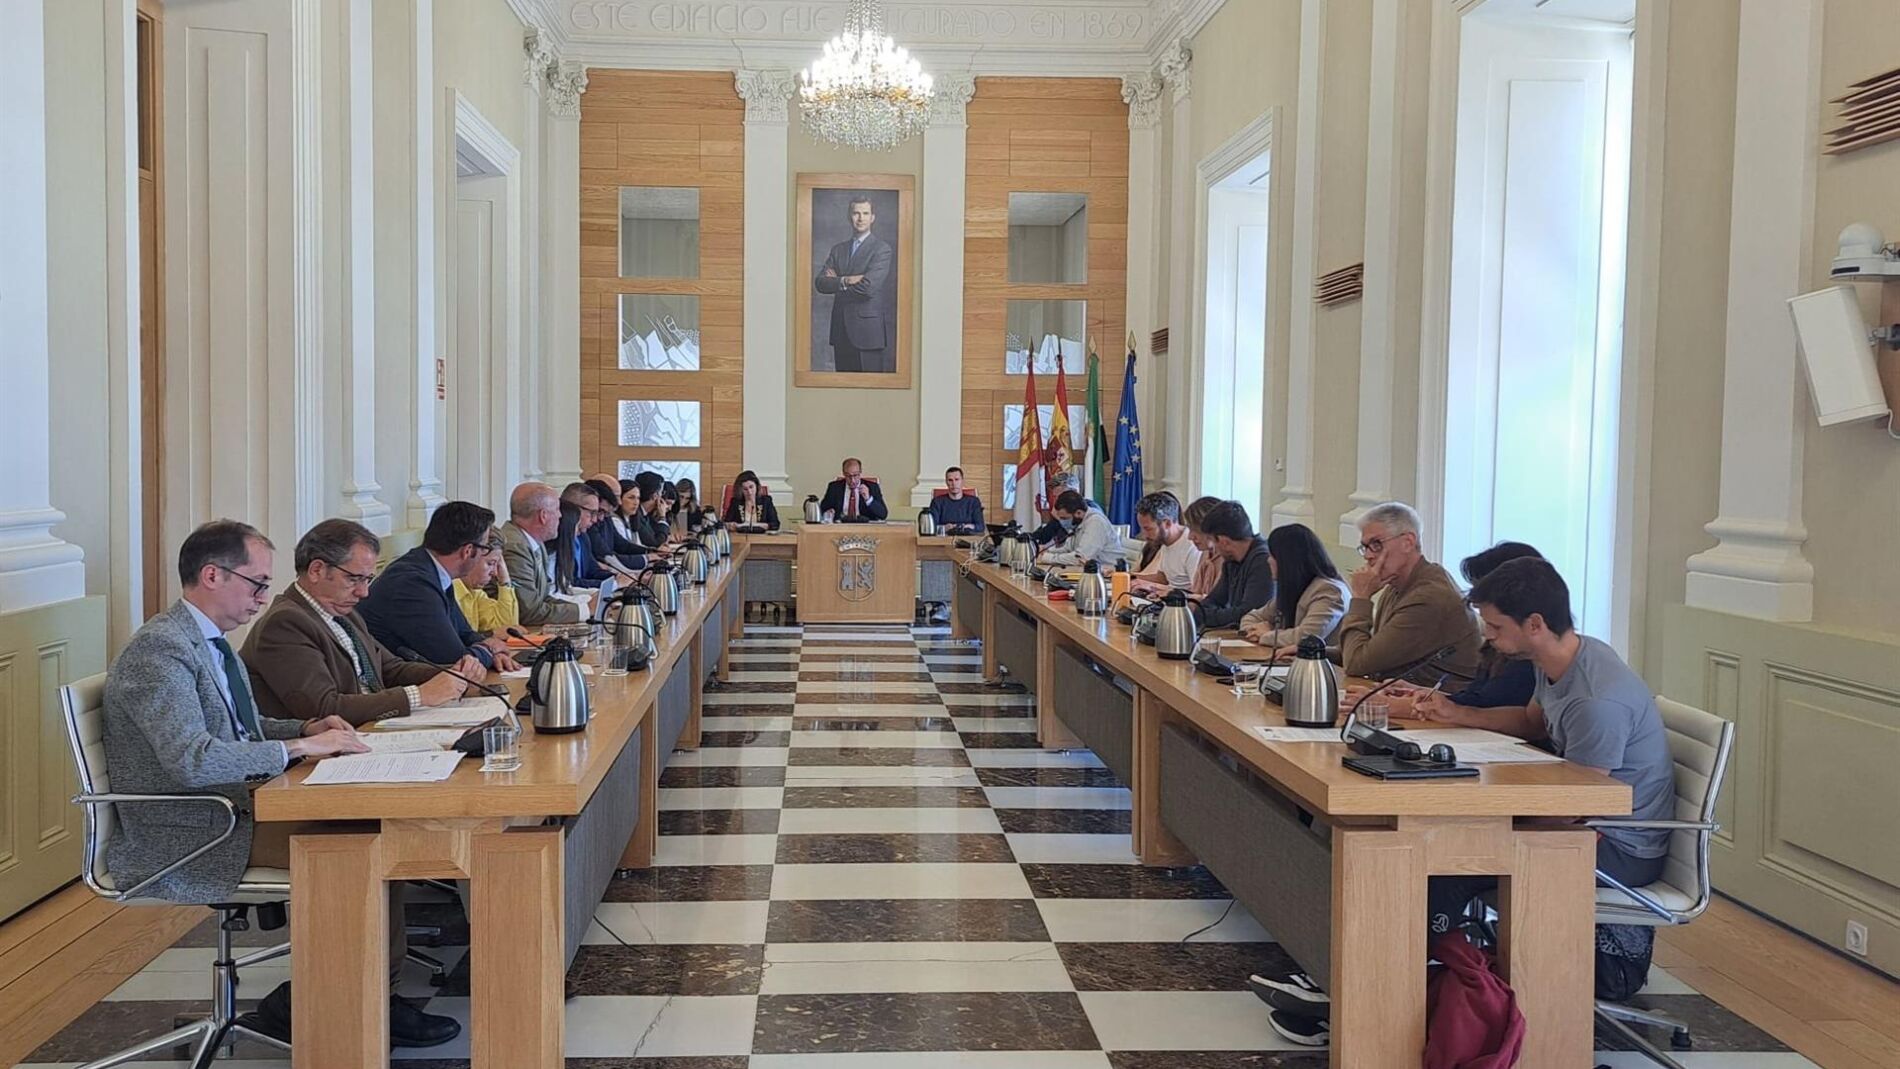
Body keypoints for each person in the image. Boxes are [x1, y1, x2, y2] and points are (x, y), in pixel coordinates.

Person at [1254, 557, 1677, 1049]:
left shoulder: (1596, 701)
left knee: (1442, 863)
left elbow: (1577, 803)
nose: (1488, 638)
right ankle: (1348, 984)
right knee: (1424, 850)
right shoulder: (1563, 661)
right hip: (1583, 820)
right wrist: (1457, 713)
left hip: (1617, 846)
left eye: (1496, 628)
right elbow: (1531, 722)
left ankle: (1360, 1004)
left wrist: (1476, 818)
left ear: (1535, 625)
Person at [102, 520, 458, 1048]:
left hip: (236, 806)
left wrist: (305, 729)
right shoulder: (162, 651)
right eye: (257, 584)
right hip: (197, 827)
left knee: (371, 829)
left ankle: (356, 992)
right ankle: (342, 1001)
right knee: (362, 846)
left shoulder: (207, 641)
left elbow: (242, 729)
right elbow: (192, 761)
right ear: (213, 575)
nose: (264, 598)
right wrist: (295, 749)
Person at [243, 519, 481, 726]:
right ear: (317, 570)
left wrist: (454, 675)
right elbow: (323, 708)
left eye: (368, 579)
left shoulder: (345, 613)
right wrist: (418, 696)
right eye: (354, 579)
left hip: (370, 732)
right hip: (322, 753)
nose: (364, 592)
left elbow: (391, 669)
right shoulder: (285, 623)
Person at [1356, 542, 1542, 717]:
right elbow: (1476, 696)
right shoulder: (1498, 646)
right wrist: (1421, 692)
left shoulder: (1527, 653)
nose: (1487, 631)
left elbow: (1492, 707)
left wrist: (1399, 706)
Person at [357, 502, 521, 672]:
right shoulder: (413, 584)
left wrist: (489, 649)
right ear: (468, 550)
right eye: (485, 549)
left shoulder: (433, 571)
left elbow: (464, 633)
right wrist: (489, 650)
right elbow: (455, 661)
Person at [1334, 501, 1482, 683]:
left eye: (1376, 544)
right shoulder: (1397, 585)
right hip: (1397, 693)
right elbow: (1366, 651)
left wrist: (1360, 597)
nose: (1368, 555)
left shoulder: (1429, 598)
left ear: (1408, 542)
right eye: (1365, 547)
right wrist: (1312, 651)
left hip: (1435, 698)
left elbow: (1356, 663)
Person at [813, 193, 895, 373]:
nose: (860, 218)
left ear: (872, 218)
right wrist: (846, 280)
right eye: (856, 213)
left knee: (869, 388)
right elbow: (820, 283)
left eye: (865, 213)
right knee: (843, 386)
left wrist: (836, 282)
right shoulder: (838, 250)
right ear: (849, 216)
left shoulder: (882, 249)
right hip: (841, 332)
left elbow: (868, 288)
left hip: (868, 334)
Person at [1238, 523, 1350, 650]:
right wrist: (1257, 631)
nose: (1268, 560)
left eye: (1273, 556)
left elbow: (1306, 638)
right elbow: (1251, 617)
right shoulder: (1295, 588)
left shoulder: (1330, 591)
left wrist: (1268, 634)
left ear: (1288, 560)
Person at [498, 481, 585, 627]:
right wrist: (584, 611)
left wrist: (584, 608)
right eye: (557, 509)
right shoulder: (515, 547)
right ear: (543, 516)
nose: (560, 515)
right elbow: (529, 612)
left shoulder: (536, 543)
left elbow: (544, 598)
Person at [1193, 500, 1277, 629]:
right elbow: (1211, 602)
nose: (1213, 548)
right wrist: (1206, 613)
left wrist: (1208, 615)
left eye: (1212, 541)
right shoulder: (1231, 560)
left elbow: (1249, 614)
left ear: (1224, 542)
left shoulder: (1263, 561)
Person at [454, 526, 521, 633]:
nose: (494, 573)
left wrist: (504, 580)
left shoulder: (475, 592)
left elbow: (508, 629)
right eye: (490, 563)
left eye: (497, 564)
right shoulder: (449, 593)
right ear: (469, 554)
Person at [1128, 492, 1199, 590]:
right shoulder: (1165, 542)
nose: (1144, 535)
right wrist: (1126, 577)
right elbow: (1162, 578)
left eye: (1148, 529)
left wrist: (1153, 586)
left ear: (1167, 523)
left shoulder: (1192, 546)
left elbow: (1196, 591)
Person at [1036, 490, 1122, 571]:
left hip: (1108, 574)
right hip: (1088, 570)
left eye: (1064, 518)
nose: (1062, 522)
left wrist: (1046, 558)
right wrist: (1046, 550)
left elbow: (1080, 558)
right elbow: (1068, 548)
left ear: (1079, 513)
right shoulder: (1079, 522)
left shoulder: (1096, 522)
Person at [585, 477, 651, 571]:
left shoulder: (606, 518)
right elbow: (605, 556)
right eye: (616, 496)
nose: (619, 502)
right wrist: (647, 558)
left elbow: (622, 545)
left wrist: (650, 552)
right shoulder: (589, 525)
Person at [820, 457, 889, 521]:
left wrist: (868, 499)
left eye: (855, 475)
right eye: (848, 476)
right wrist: (827, 513)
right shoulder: (834, 487)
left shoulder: (872, 487)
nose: (852, 480)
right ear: (843, 473)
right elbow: (822, 509)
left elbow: (883, 515)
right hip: (841, 526)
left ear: (860, 472)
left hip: (865, 526)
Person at [926, 466, 984, 533]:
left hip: (968, 537)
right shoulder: (937, 502)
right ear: (946, 482)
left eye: (957, 479)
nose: (954, 484)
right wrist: (944, 528)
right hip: (944, 537)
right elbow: (931, 527)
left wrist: (965, 527)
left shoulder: (974, 502)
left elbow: (980, 526)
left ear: (962, 481)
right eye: (950, 480)